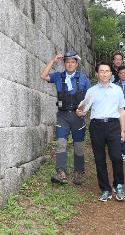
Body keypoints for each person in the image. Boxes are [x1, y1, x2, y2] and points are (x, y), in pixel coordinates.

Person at [76, 62, 125, 202]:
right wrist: (80, 112)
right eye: (101, 71)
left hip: (113, 125)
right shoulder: (91, 91)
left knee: (116, 156)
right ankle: (105, 189)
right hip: (96, 126)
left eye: (107, 71)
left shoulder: (117, 90)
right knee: (99, 159)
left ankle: (119, 185)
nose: (104, 73)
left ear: (111, 73)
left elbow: (121, 110)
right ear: (97, 73)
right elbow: (83, 108)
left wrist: (123, 129)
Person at [40, 51, 91, 185]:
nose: (70, 64)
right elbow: (43, 75)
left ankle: (79, 172)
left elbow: (90, 97)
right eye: (67, 62)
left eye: (72, 62)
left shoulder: (83, 78)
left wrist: (85, 111)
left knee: (79, 146)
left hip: (77, 117)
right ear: (64, 63)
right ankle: (61, 172)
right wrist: (53, 60)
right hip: (63, 116)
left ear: (76, 64)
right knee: (61, 143)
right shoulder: (58, 76)